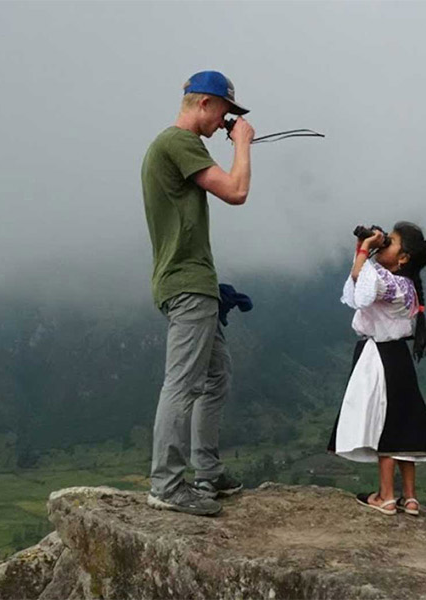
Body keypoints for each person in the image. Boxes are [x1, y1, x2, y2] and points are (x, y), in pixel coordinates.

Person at [141, 71, 255, 516]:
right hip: (187, 284)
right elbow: (236, 191)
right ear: (205, 103)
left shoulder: (172, 147)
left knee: (216, 376)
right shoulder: (179, 142)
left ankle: (207, 472)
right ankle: (167, 485)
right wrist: (242, 142)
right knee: (184, 382)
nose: (226, 122)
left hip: (195, 282)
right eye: (226, 112)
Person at [328, 222, 426, 516]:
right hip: (397, 357)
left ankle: (386, 496)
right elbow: (359, 282)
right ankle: (411, 498)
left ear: (403, 258)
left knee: (384, 424)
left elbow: (360, 291)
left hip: (379, 356)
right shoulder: (405, 285)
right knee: (404, 422)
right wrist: (364, 250)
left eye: (389, 242)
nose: (382, 243)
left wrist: (365, 249)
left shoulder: (390, 282)